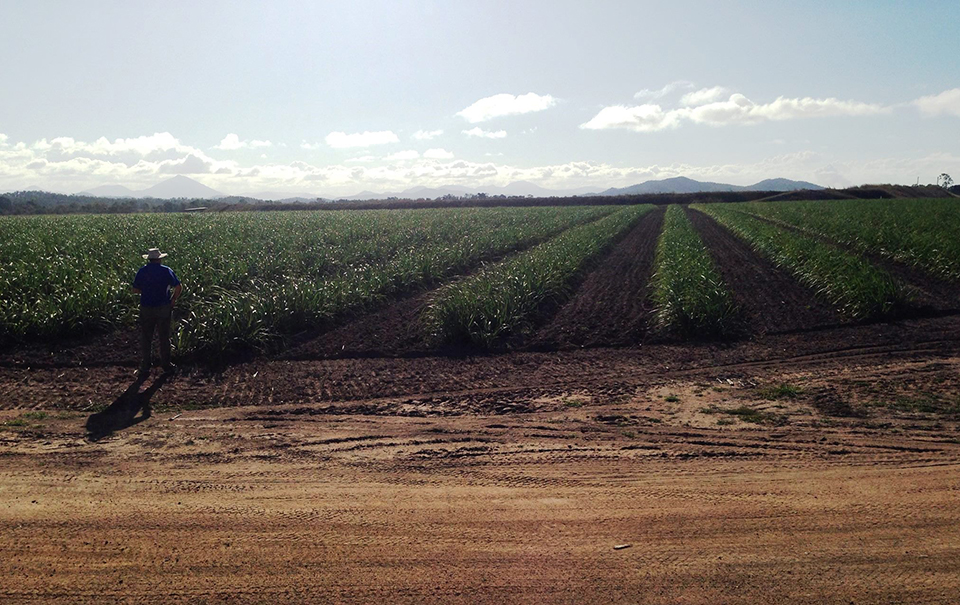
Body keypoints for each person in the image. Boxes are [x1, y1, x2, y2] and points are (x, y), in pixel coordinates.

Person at [132, 248, 182, 377]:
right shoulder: (166, 270)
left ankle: (145, 366)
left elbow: (135, 289)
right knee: (164, 337)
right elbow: (178, 286)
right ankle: (166, 365)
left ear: (149, 259)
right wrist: (173, 300)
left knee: (146, 337)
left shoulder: (142, 271)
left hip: (146, 307)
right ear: (159, 259)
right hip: (163, 307)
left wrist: (148, 291)